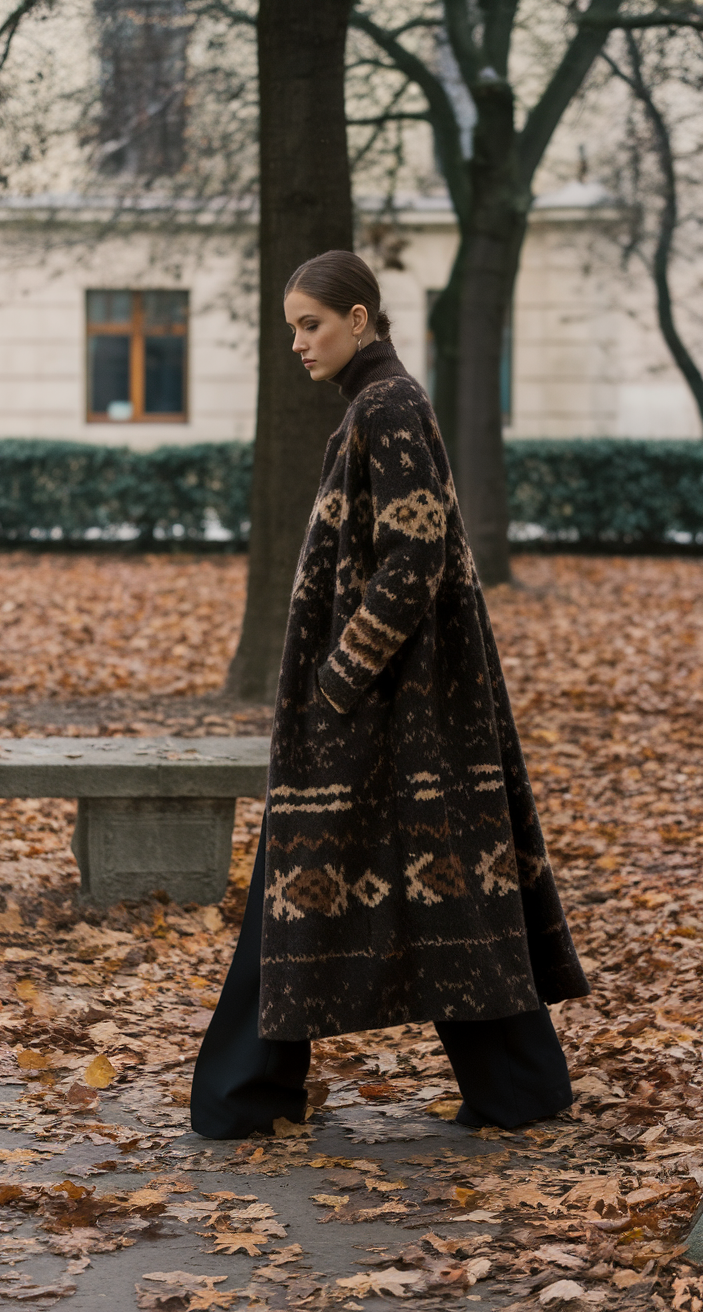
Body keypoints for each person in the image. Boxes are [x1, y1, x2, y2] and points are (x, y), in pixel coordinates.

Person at [190, 250, 589, 1139]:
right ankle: (517, 1088)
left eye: (312, 323)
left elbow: (417, 552)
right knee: (441, 886)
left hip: (384, 708)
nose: (298, 342)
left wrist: (342, 675)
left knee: (321, 882)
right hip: (394, 708)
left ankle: (242, 1096)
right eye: (291, 325)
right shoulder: (376, 404)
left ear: (361, 318)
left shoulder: (390, 404)